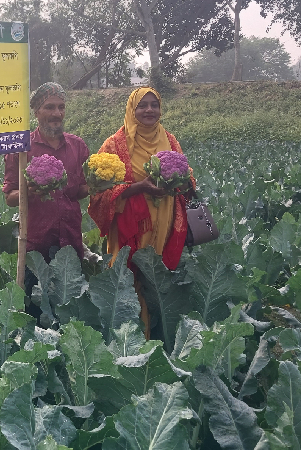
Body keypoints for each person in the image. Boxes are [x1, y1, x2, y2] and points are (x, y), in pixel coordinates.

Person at [87, 86, 194, 339]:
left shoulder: (170, 139)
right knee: (128, 277)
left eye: (153, 105)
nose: (149, 110)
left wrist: (181, 181)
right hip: (130, 226)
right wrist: (139, 188)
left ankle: (159, 334)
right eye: (142, 105)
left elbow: (187, 177)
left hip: (164, 221)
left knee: (157, 278)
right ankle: (130, 337)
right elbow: (98, 192)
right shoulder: (114, 144)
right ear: (131, 109)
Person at [3, 82, 89, 318]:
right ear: (36, 111)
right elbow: (10, 198)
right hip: (35, 244)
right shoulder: (21, 149)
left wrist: (97, 184)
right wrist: (29, 191)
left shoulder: (78, 146)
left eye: (61, 107)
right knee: (33, 310)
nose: (57, 113)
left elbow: (79, 190)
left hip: (70, 240)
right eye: (49, 107)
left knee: (69, 307)